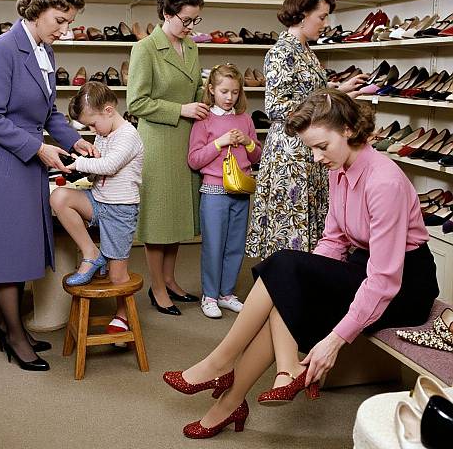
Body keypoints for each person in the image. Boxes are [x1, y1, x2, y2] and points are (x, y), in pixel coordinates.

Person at [163, 89, 439, 439]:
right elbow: (334, 240)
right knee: (285, 283)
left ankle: (223, 370)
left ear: (349, 131)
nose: (316, 156)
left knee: (284, 270)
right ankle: (233, 396)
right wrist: (303, 281)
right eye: (311, 148)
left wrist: (335, 340)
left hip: (404, 287)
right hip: (362, 268)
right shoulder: (339, 168)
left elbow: (384, 279)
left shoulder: (383, 181)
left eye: (321, 146)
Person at [0, 0, 96, 371]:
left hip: (27, 159)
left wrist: (73, 141)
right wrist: (38, 147)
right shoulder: (2, 51)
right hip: (3, 161)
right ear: (36, 11)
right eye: (60, 19)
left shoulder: (44, 51)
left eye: (70, 21)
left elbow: (49, 111)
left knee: (22, 244)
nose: (65, 29)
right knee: (8, 248)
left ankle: (11, 325)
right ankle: (14, 335)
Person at [246, 0, 368, 259]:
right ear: (302, 15)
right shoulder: (281, 51)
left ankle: (304, 285)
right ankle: (285, 288)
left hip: (308, 145)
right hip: (291, 151)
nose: (325, 24)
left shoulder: (305, 51)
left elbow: (308, 92)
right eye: (321, 17)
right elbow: (277, 106)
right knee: (291, 226)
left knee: (307, 224)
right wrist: (327, 100)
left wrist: (339, 91)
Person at [127, 0, 207, 316]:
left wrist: (211, 94)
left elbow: (193, 91)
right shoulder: (144, 49)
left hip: (186, 141)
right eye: (186, 20)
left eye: (195, 20)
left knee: (176, 216)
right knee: (158, 220)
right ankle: (157, 288)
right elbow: (136, 102)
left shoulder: (192, 47)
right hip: (158, 143)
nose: (191, 27)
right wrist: (181, 109)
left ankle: (171, 280)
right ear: (167, 12)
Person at [50, 82, 143, 334]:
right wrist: (84, 169)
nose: (92, 130)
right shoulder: (104, 134)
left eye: (92, 124)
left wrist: (79, 162)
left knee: (117, 277)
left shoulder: (128, 135)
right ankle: (91, 253)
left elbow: (110, 166)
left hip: (120, 211)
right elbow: (97, 176)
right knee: (59, 198)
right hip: (98, 201)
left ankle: (122, 316)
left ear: (109, 110)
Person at [188, 64, 261, 319]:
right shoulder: (204, 120)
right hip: (214, 191)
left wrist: (248, 141)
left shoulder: (246, 119)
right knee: (214, 245)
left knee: (235, 245)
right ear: (211, 90)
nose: (229, 97)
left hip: (241, 190)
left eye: (234, 92)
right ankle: (209, 295)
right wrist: (219, 143)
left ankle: (226, 293)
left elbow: (257, 155)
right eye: (224, 91)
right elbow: (194, 159)